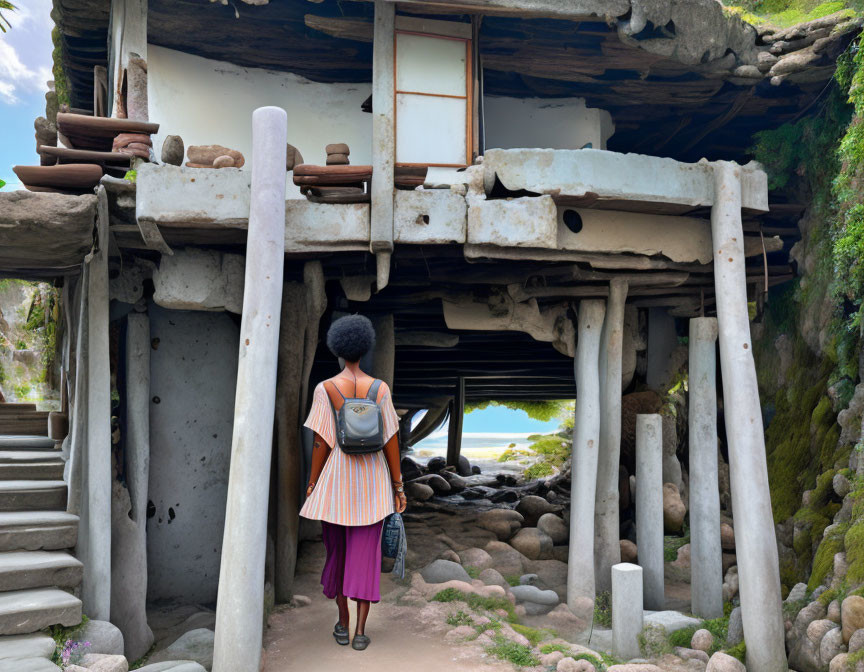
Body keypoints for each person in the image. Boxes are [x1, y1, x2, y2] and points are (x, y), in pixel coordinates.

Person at [300, 314, 407, 651]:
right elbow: (391, 440)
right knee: (365, 559)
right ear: (365, 349)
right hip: (374, 485)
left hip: (336, 484)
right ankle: (361, 632)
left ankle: (342, 625)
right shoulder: (381, 389)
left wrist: (313, 481)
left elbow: (321, 442)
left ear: (337, 350)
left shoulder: (325, 389)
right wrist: (398, 485)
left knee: (338, 556)